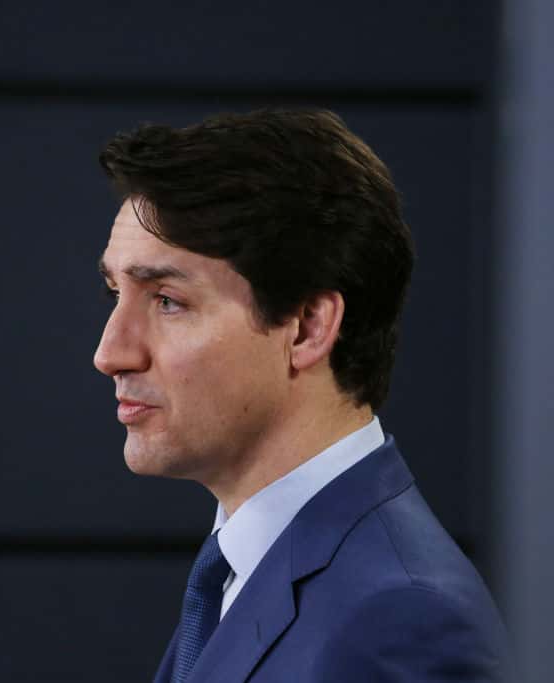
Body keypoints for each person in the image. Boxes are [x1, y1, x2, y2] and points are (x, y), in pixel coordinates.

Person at [93, 109, 510, 682]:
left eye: (168, 301)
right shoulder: (247, 568)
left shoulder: (402, 618)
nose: (110, 353)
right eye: (114, 293)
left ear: (309, 327)